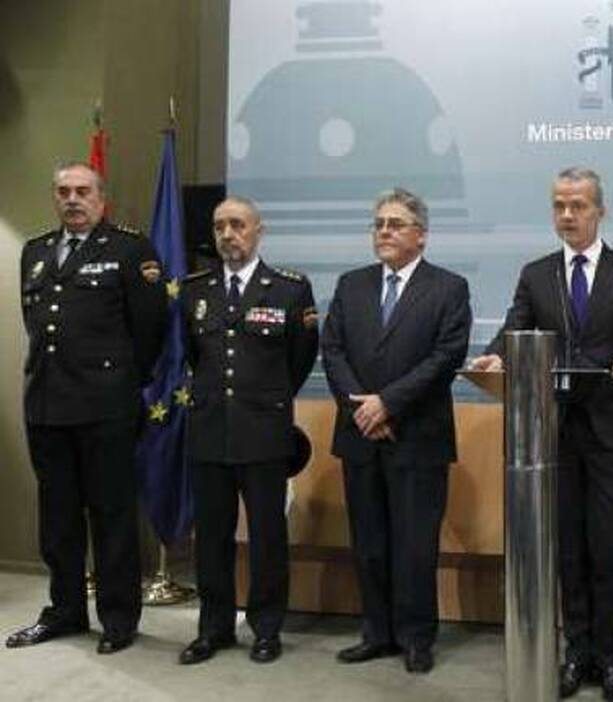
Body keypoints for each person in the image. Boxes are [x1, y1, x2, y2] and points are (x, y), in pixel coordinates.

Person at [469, 167, 613, 701]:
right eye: (559, 205)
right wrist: (495, 355)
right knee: (567, 550)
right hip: (552, 432)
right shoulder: (536, 274)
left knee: (609, 548)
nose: (567, 214)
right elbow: (514, 328)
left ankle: (611, 657)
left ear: (600, 210)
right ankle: (576, 651)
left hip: (611, 432)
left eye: (578, 205)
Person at [8, 163, 167, 655]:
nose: (72, 199)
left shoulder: (129, 249)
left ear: (101, 198)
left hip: (106, 406)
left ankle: (118, 618)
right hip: (47, 404)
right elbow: (37, 323)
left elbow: (150, 329)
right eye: (63, 192)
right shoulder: (36, 251)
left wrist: (121, 384)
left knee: (110, 514)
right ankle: (65, 610)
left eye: (82, 191)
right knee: (58, 518)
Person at [321, 188, 471, 674]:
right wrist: (363, 409)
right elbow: (333, 350)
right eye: (379, 223)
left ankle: (416, 637)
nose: (384, 231)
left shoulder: (449, 288)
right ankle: (377, 633)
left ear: (420, 235)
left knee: (414, 545)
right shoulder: (352, 284)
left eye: (396, 223)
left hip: (417, 437)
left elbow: (445, 358)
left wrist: (388, 404)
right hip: (360, 435)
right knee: (369, 543)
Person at [177, 196, 319, 665]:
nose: (227, 234)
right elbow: (194, 355)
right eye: (219, 226)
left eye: (237, 225)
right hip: (209, 431)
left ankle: (266, 628)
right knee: (211, 537)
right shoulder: (194, 290)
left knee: (267, 537)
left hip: (263, 433)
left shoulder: (289, 289)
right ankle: (214, 628)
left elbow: (299, 359)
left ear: (258, 230)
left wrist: (264, 400)